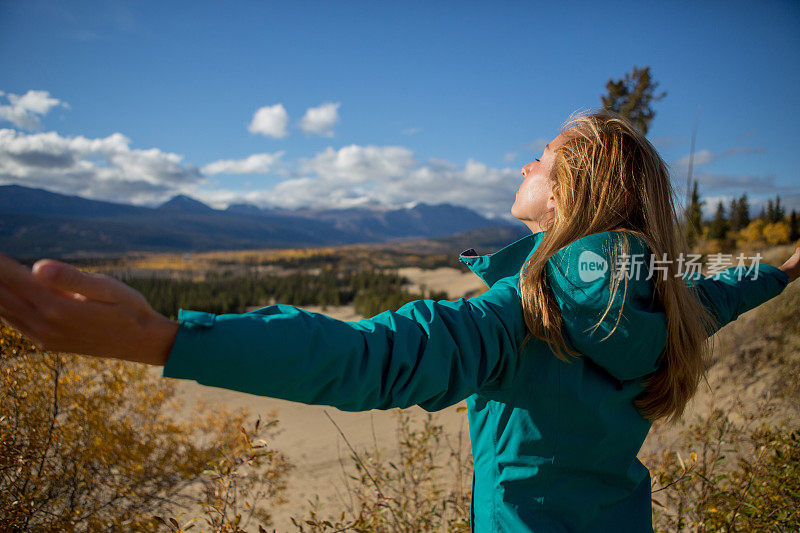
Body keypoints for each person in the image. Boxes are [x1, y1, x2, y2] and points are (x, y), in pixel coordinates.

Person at [0, 110, 797, 532]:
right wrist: (785, 269)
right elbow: (721, 289)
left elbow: (369, 357)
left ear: (567, 192)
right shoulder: (666, 294)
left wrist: (161, 338)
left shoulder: (523, 310)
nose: (525, 163)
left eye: (543, 156)